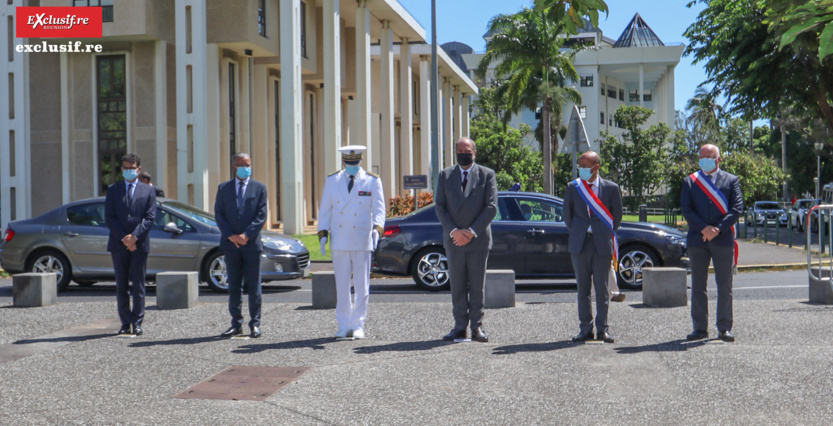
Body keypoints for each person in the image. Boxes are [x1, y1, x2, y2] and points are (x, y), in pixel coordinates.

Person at [318, 145, 386, 340]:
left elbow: (380, 210)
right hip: (339, 239)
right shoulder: (333, 180)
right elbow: (325, 209)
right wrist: (323, 234)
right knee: (341, 285)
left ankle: (357, 324)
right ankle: (343, 324)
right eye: (349, 163)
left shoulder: (372, 180)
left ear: (361, 161)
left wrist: (376, 229)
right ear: (343, 162)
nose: (352, 166)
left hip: (362, 238)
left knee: (361, 284)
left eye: (355, 163)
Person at [435, 137, 498, 343]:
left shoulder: (487, 175)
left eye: (467, 150)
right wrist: (454, 231)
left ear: (475, 152)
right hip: (454, 240)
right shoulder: (445, 175)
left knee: (477, 285)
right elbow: (440, 206)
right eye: (460, 150)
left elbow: (491, 207)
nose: (464, 153)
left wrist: (470, 232)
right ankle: (460, 327)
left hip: (477, 240)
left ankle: (477, 327)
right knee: (458, 285)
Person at [681, 144, 742, 342]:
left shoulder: (731, 180)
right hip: (697, 239)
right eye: (701, 156)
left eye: (708, 156)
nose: (704, 159)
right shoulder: (690, 181)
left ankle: (724, 328)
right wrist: (704, 229)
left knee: (725, 286)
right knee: (698, 286)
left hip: (723, 239)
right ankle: (699, 328)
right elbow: (687, 209)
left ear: (718, 159)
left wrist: (717, 229)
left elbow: (737, 209)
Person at [563, 151, 623, 344]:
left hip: (601, 243)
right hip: (580, 243)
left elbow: (617, 217)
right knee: (583, 288)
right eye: (579, 165)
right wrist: (581, 231)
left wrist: (602, 232)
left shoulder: (611, 188)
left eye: (584, 165)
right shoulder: (573, 187)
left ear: (596, 167)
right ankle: (585, 328)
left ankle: (602, 329)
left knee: (602, 288)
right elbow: (567, 216)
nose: (580, 168)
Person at [214, 153, 268, 339]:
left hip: (251, 245)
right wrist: (232, 236)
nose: (246, 168)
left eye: (249, 165)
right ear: (234, 167)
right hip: (231, 245)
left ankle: (255, 324)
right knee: (234, 286)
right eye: (243, 165)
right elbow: (219, 214)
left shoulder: (259, 188)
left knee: (254, 287)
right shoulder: (224, 188)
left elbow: (261, 215)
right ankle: (236, 324)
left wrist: (246, 235)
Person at [105, 153, 156, 336]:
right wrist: (125, 239)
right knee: (121, 286)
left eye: (132, 168)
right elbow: (110, 218)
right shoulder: (113, 190)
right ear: (121, 169)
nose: (129, 171)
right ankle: (125, 322)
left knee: (139, 285)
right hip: (119, 245)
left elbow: (150, 218)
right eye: (126, 168)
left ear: (138, 169)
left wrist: (134, 237)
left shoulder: (148, 190)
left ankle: (138, 321)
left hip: (139, 244)